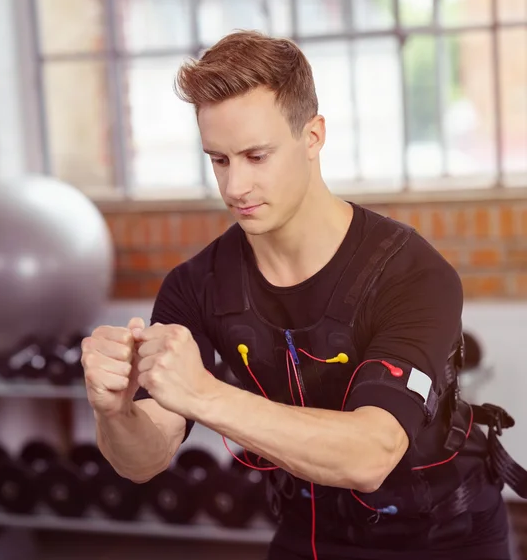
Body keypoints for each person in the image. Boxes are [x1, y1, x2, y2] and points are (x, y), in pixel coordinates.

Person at [80, 31, 521, 559]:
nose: (234, 186)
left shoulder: (413, 273)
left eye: (256, 156)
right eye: (219, 160)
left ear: (313, 136)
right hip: (308, 535)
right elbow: (142, 460)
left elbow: (369, 454)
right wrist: (114, 413)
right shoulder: (194, 287)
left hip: (444, 539)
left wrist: (204, 393)